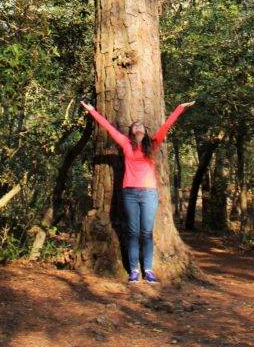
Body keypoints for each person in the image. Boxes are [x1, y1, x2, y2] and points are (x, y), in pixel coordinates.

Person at [80, 97, 195, 283]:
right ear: (132, 131)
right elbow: (108, 128)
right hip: (130, 193)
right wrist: (92, 110)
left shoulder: (153, 143)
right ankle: (134, 270)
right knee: (132, 232)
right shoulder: (126, 143)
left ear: (145, 130)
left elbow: (167, 125)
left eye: (141, 126)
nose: (138, 127)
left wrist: (180, 108)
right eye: (135, 126)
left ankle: (148, 269)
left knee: (146, 232)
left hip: (149, 193)